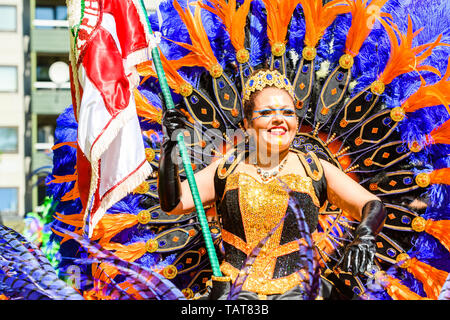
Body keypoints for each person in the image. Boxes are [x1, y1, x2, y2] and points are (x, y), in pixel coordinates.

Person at [157, 68, 387, 300]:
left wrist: (365, 235)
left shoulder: (314, 168)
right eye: (267, 112)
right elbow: (174, 203)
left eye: (288, 112)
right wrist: (169, 148)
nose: (279, 119)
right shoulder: (227, 168)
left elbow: (371, 204)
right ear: (247, 124)